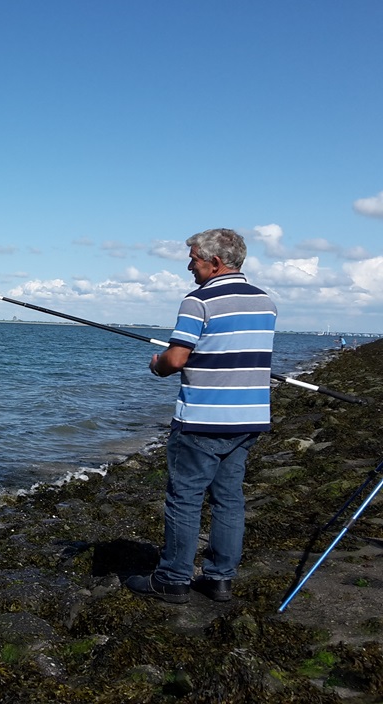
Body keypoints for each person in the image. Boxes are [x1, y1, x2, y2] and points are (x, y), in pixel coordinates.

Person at [127, 228, 277, 604]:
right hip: (250, 417)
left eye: (193, 258)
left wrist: (156, 365)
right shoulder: (266, 302)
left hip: (203, 419)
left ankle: (174, 578)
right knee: (229, 499)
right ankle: (219, 579)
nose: (188, 265)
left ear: (215, 262)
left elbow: (175, 360)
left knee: (185, 497)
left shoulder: (198, 301)